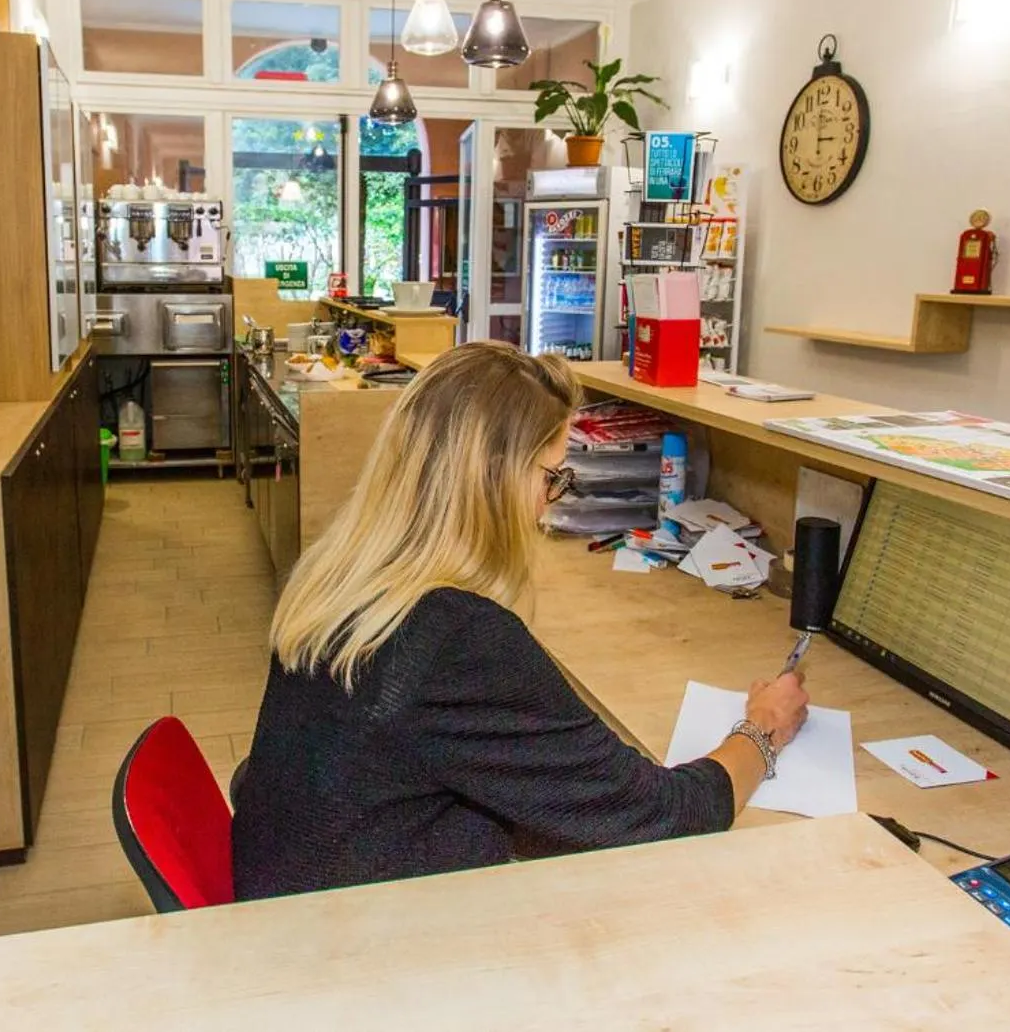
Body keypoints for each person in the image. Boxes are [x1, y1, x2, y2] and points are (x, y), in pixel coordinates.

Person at [232, 341, 810, 900]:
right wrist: (762, 731)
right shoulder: (455, 637)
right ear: (497, 480)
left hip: (309, 888)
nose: (548, 503)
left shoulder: (345, 579)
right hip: (353, 947)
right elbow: (664, 813)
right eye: (551, 476)